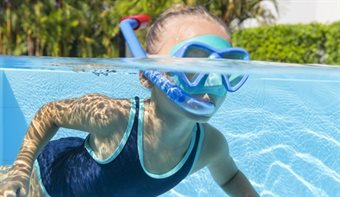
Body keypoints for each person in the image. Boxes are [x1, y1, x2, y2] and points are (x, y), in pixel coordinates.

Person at [0, 4, 259, 197]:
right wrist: (21, 168)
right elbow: (50, 112)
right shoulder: (115, 117)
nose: (213, 81)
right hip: (44, 180)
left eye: (225, 68)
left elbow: (231, 178)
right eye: (193, 63)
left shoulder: (209, 146)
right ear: (147, 76)